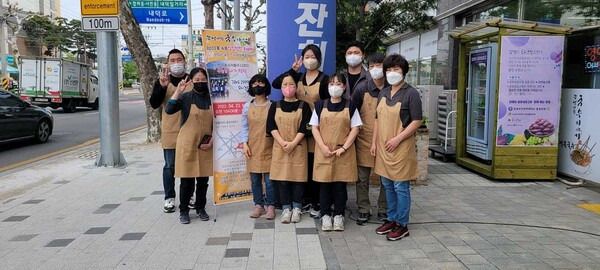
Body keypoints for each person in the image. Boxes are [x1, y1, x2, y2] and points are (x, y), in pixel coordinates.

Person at [272, 44, 330, 218]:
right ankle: (302, 201)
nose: (309, 60)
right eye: (307, 56)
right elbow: (276, 84)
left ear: (319, 59)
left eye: (313, 56)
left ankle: (317, 202)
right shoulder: (298, 76)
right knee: (302, 167)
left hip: (318, 130)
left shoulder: (325, 79)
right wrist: (293, 69)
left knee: (315, 166)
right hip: (298, 129)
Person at [372, 54, 422, 241]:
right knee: (387, 185)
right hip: (384, 147)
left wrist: (398, 139)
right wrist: (374, 142)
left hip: (400, 147)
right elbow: (377, 119)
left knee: (401, 187)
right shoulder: (384, 93)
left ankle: (402, 224)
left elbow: (417, 121)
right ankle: (391, 219)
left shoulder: (411, 94)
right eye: (389, 70)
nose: (392, 73)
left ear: (404, 72)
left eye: (396, 70)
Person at [310, 73, 362, 231]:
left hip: (343, 152)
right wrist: (322, 146)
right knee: (324, 185)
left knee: (340, 185)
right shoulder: (320, 105)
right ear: (327, 86)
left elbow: (355, 128)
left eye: (339, 84)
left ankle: (338, 215)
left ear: (344, 87)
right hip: (324, 151)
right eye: (332, 83)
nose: (335, 87)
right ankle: (325, 215)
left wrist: (344, 147)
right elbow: (314, 127)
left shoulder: (350, 105)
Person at [165, 67, 214, 224]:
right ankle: (184, 211)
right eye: (197, 80)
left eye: (203, 80)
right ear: (191, 81)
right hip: (187, 143)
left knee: (203, 180)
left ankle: (200, 208)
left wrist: (213, 140)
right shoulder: (186, 97)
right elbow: (169, 109)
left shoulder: (212, 99)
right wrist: (178, 91)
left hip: (206, 145)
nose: (200, 83)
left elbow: (219, 123)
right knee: (186, 181)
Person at [149, 49, 193, 213]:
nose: (176, 63)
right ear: (168, 64)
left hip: (190, 129)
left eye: (179, 59)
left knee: (189, 165)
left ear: (184, 61)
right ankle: (169, 197)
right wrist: (161, 86)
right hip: (170, 130)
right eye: (172, 60)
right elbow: (154, 104)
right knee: (170, 166)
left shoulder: (192, 80)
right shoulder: (162, 81)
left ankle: (188, 196)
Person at [267, 73, 312, 224]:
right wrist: (282, 142)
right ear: (280, 87)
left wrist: (293, 143)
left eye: (291, 84)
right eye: (285, 84)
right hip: (280, 148)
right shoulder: (275, 105)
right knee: (283, 180)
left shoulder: (303, 105)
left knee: (298, 180)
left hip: (298, 147)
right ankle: (286, 208)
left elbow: (306, 127)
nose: (288, 87)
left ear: (297, 87)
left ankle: (297, 208)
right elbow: (271, 127)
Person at [352, 52, 388, 223]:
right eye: (372, 66)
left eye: (379, 66)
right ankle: (363, 208)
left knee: (386, 178)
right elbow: (352, 113)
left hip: (387, 140)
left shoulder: (392, 88)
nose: (375, 69)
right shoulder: (362, 88)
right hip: (364, 139)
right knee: (362, 178)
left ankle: (384, 209)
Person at [242, 74, 276, 220]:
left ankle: (271, 206)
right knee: (255, 179)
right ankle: (258, 205)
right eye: (254, 83)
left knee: (270, 181)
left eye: (260, 83)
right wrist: (244, 143)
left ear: (266, 86)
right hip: (252, 146)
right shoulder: (247, 106)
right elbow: (244, 126)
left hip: (270, 146)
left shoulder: (273, 105)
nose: (257, 86)